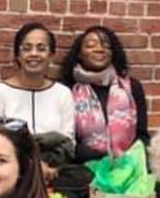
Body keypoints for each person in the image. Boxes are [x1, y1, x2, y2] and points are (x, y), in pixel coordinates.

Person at [0, 22, 75, 185]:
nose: (34, 54)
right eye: (27, 48)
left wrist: (50, 168)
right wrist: (32, 167)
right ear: (18, 55)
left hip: (55, 173)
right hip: (10, 175)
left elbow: (68, 141)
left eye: (41, 48)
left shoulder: (63, 94)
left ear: (51, 55)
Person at [60, 26, 149, 163]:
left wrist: (127, 159)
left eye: (106, 46)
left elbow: (142, 135)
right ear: (79, 54)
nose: (99, 49)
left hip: (129, 169)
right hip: (85, 171)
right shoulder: (68, 90)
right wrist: (103, 159)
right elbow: (67, 141)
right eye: (90, 45)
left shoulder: (132, 87)